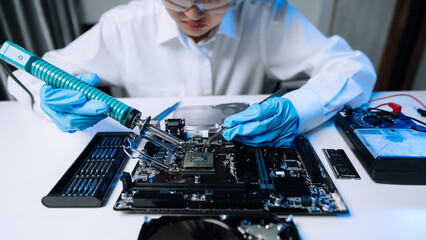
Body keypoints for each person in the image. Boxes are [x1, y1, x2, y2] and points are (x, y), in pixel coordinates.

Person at [8, 0, 376, 148]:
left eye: (213, 0)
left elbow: (353, 67)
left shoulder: (268, 15)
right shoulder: (125, 24)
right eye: (178, 1)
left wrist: (302, 107)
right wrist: (48, 98)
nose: (194, 15)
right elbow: (30, 74)